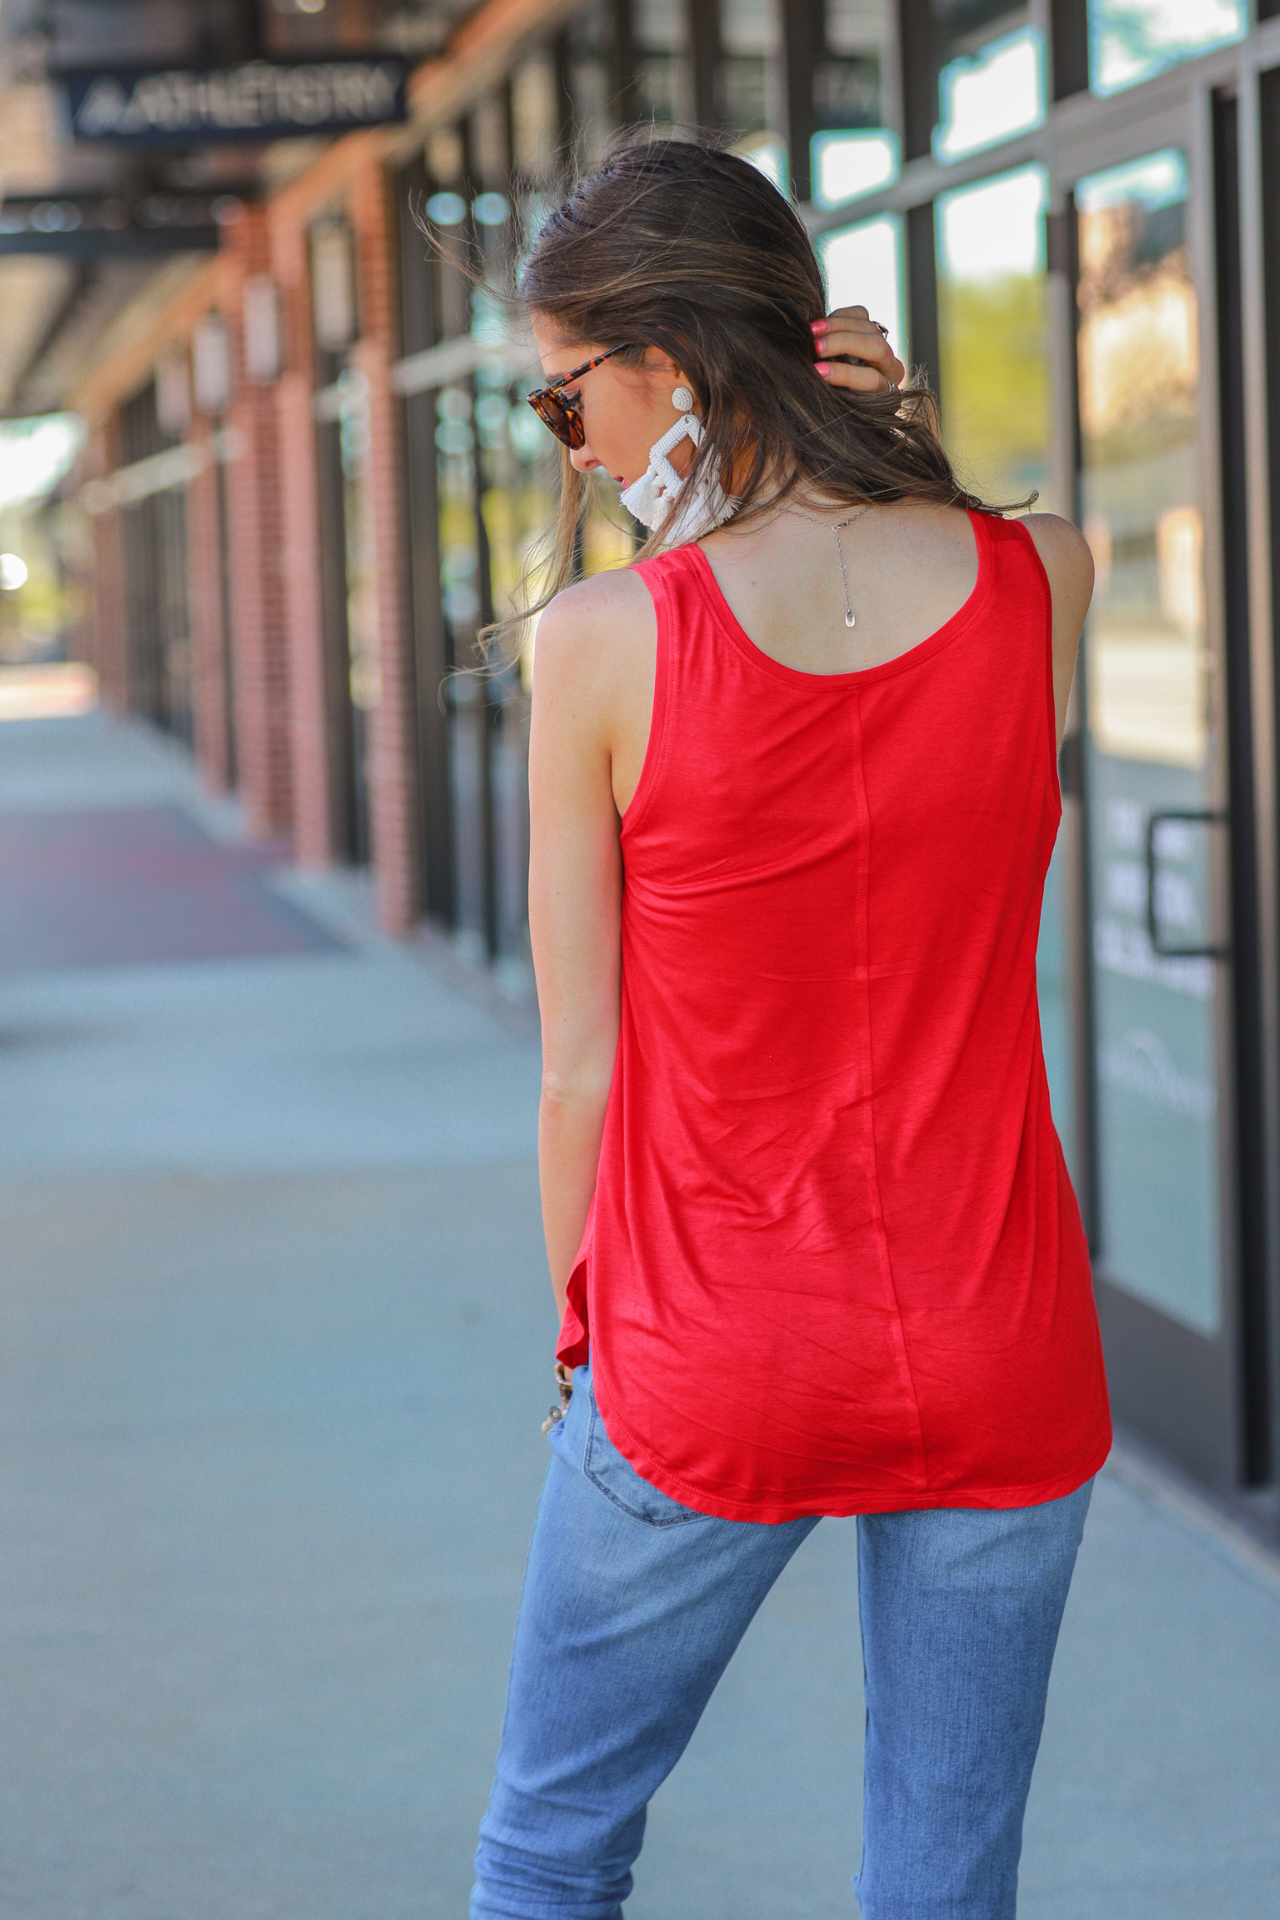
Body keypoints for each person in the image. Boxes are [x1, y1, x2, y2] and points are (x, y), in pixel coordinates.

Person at [471, 138, 1110, 1920]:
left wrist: (582, 1354)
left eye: (566, 396)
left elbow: (577, 1067)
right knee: (944, 1884)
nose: (570, 442)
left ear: (666, 364)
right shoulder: (1044, 574)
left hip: (708, 1350)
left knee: (553, 1849)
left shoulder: (607, 643)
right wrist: (883, 447)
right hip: (1000, 1330)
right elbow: (921, 602)